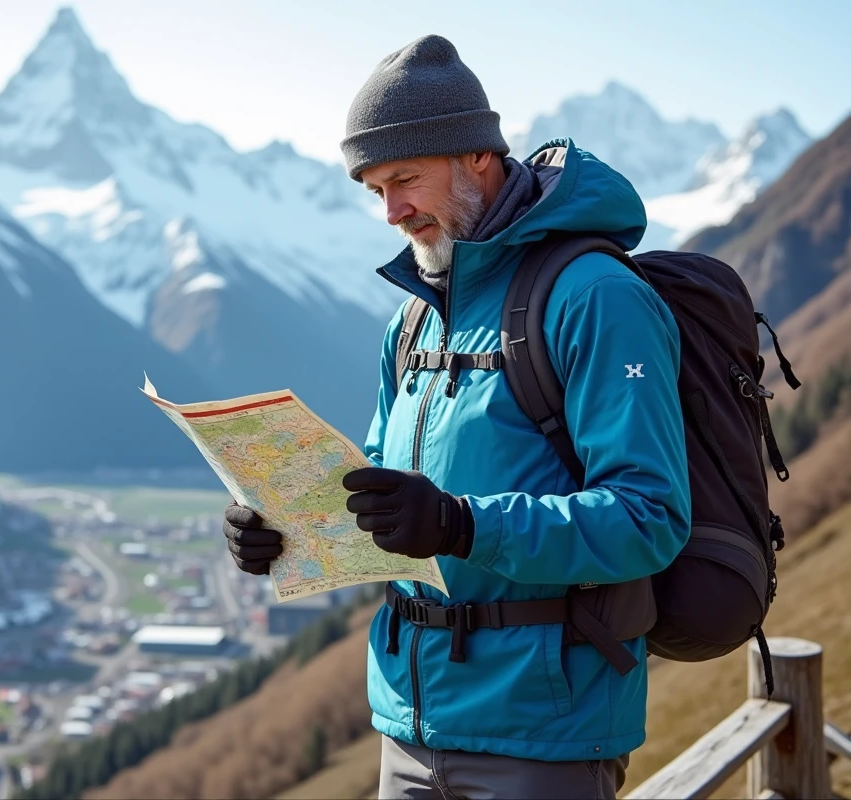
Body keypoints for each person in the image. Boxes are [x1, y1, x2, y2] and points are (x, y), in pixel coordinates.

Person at [222, 34, 692, 800]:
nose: (391, 211)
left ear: (479, 156)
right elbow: (375, 512)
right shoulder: (411, 323)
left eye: (405, 178)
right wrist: (281, 531)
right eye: (374, 188)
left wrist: (463, 525)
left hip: (544, 729)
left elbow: (649, 518)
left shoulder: (596, 297)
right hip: (408, 726)